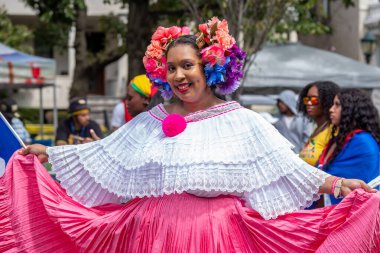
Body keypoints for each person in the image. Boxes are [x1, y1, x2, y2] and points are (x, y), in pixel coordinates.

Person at [1, 18, 379, 252]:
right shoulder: (152, 119)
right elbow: (105, 152)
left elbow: (287, 168)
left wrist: (336, 183)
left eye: (188, 66)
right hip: (147, 234)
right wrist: (48, 154)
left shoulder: (241, 120)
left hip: (217, 236)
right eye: (171, 69)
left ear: (211, 66)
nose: (179, 76)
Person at [318, 88, 380, 205]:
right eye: (332, 104)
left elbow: (365, 184)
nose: (331, 110)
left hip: (350, 213)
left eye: (337, 105)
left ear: (351, 109)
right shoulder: (338, 140)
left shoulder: (362, 142)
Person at [298, 81, 340, 166]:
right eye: (307, 99)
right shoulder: (318, 129)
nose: (309, 103)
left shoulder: (333, 130)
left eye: (314, 100)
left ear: (327, 101)